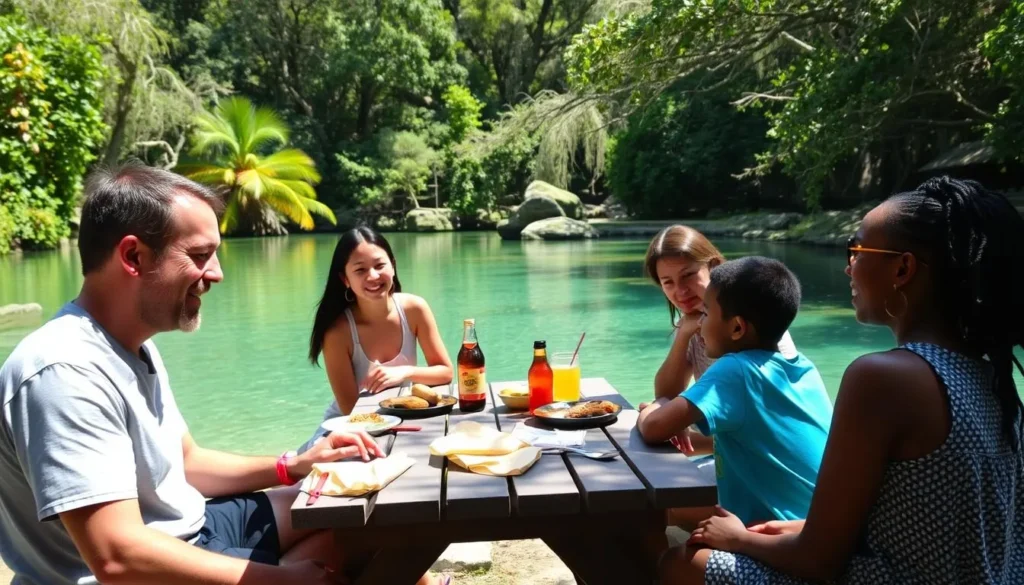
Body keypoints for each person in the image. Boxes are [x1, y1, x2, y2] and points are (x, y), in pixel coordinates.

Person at [0, 164, 386, 585]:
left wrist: (294, 465)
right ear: (132, 257)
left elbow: (187, 463)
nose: (217, 273)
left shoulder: (132, 345)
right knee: (361, 541)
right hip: (152, 566)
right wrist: (285, 580)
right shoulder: (64, 372)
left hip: (194, 525)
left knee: (357, 501)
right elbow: (118, 557)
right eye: (200, 255)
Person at [666, 177, 1024, 584]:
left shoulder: (885, 378)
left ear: (902, 268)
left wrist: (739, 539)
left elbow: (817, 563)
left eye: (857, 250)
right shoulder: (992, 375)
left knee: (683, 564)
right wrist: (800, 528)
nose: (847, 265)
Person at [638, 256, 833, 527]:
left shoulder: (736, 369)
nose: (699, 323)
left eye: (705, 314)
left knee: (643, 515)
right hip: (815, 523)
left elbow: (653, 428)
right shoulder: (802, 366)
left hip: (775, 530)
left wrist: (652, 408)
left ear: (737, 327)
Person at [644, 226, 798, 453]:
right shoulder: (697, 320)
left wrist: (654, 414)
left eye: (688, 275)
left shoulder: (754, 327)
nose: (680, 291)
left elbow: (769, 435)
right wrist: (684, 334)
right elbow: (666, 394)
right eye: (668, 282)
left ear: (713, 266)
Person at [306, 227, 453, 426]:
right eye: (360, 270)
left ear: (393, 266)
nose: (373, 276)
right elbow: (350, 408)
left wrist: (404, 372)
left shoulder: (414, 309)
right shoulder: (338, 332)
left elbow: (445, 372)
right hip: (348, 427)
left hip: (403, 419)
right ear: (345, 279)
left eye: (379, 265)